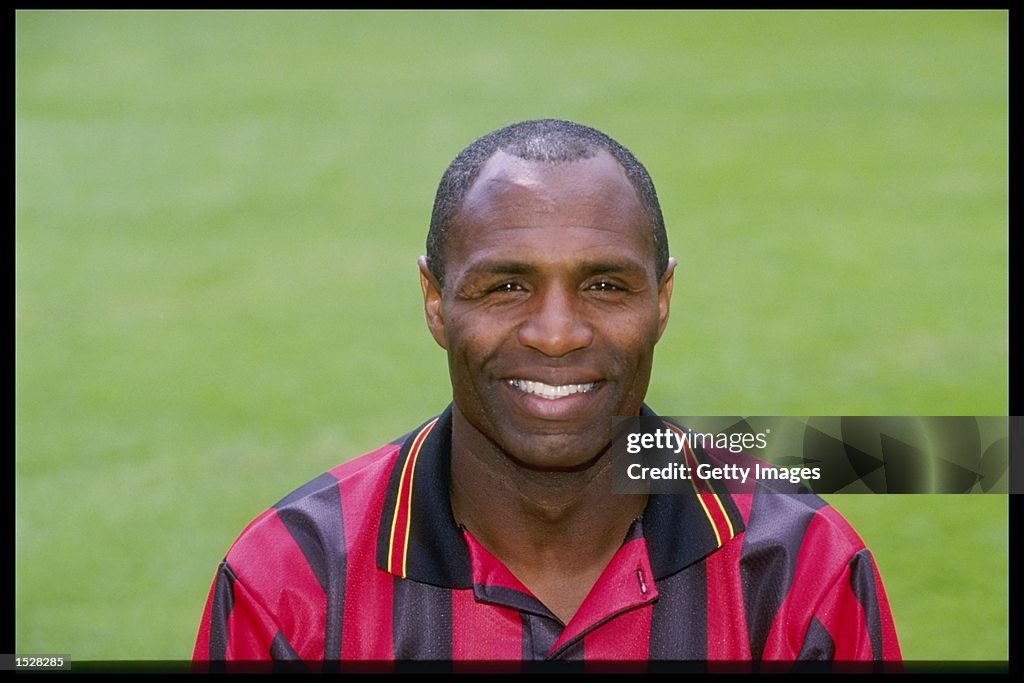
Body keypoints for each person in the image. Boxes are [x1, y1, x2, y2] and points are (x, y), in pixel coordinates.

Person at [193, 119, 901, 670]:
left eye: (604, 285)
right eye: (505, 285)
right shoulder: (292, 579)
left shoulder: (800, 566)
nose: (557, 334)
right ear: (435, 301)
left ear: (663, 298)